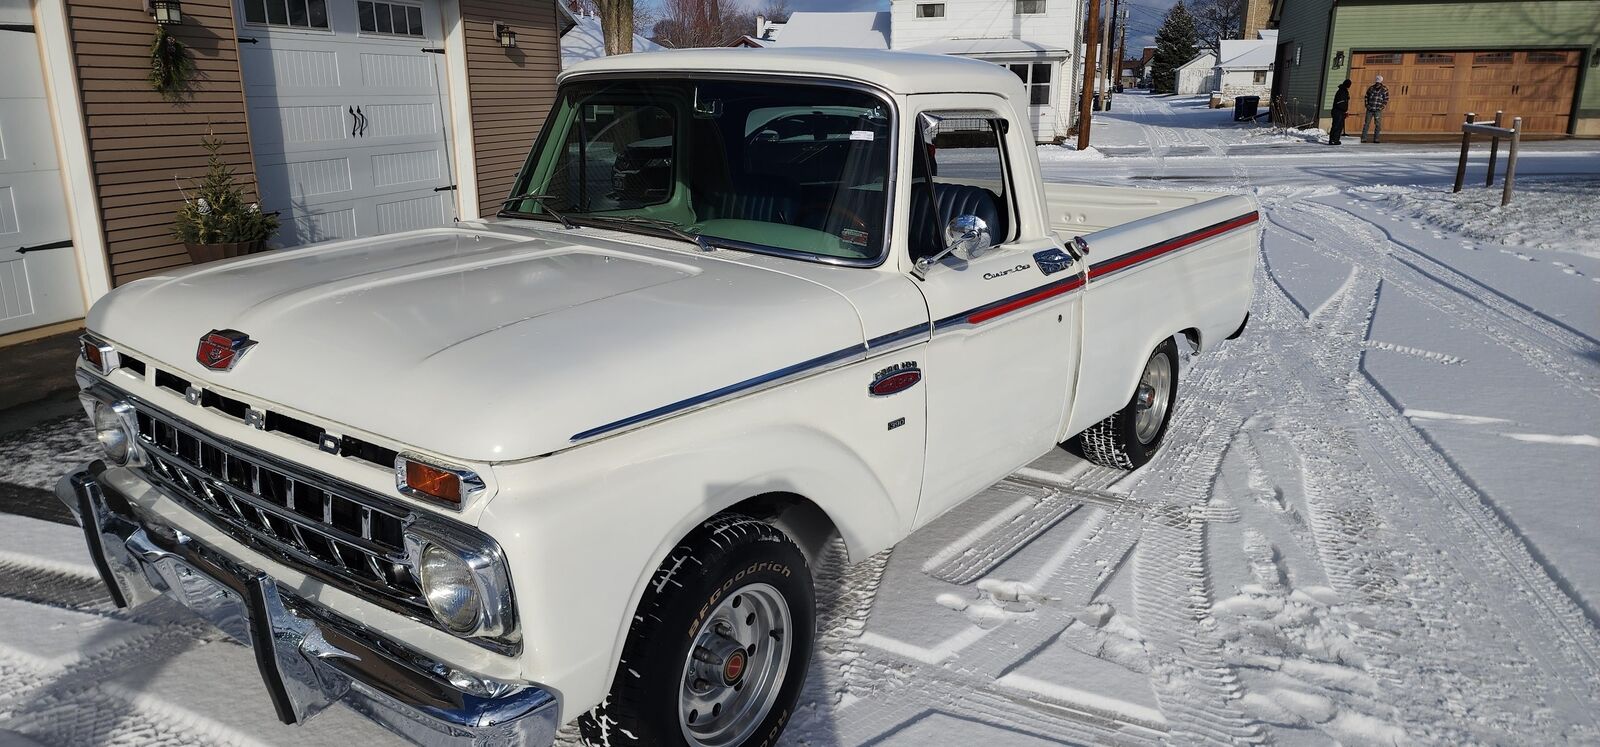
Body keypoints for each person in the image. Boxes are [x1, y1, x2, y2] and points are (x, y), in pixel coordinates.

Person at [1362, 75, 1390, 143]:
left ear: (1381, 82)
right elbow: (1366, 97)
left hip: (1378, 110)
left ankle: (1376, 139)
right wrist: (1367, 105)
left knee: (1378, 124)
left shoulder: (1384, 89)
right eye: (1377, 82)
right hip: (1370, 109)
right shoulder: (1371, 88)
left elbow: (1386, 99)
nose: (1377, 83)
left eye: (1379, 82)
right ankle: (1363, 138)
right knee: (1366, 124)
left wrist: (1382, 107)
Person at [1329, 79, 1352, 145]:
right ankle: (1333, 140)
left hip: (1340, 111)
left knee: (1339, 126)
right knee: (1336, 126)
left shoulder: (1344, 91)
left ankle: (1335, 139)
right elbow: (1340, 102)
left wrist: (1345, 111)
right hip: (1338, 111)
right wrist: (1344, 110)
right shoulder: (1342, 91)